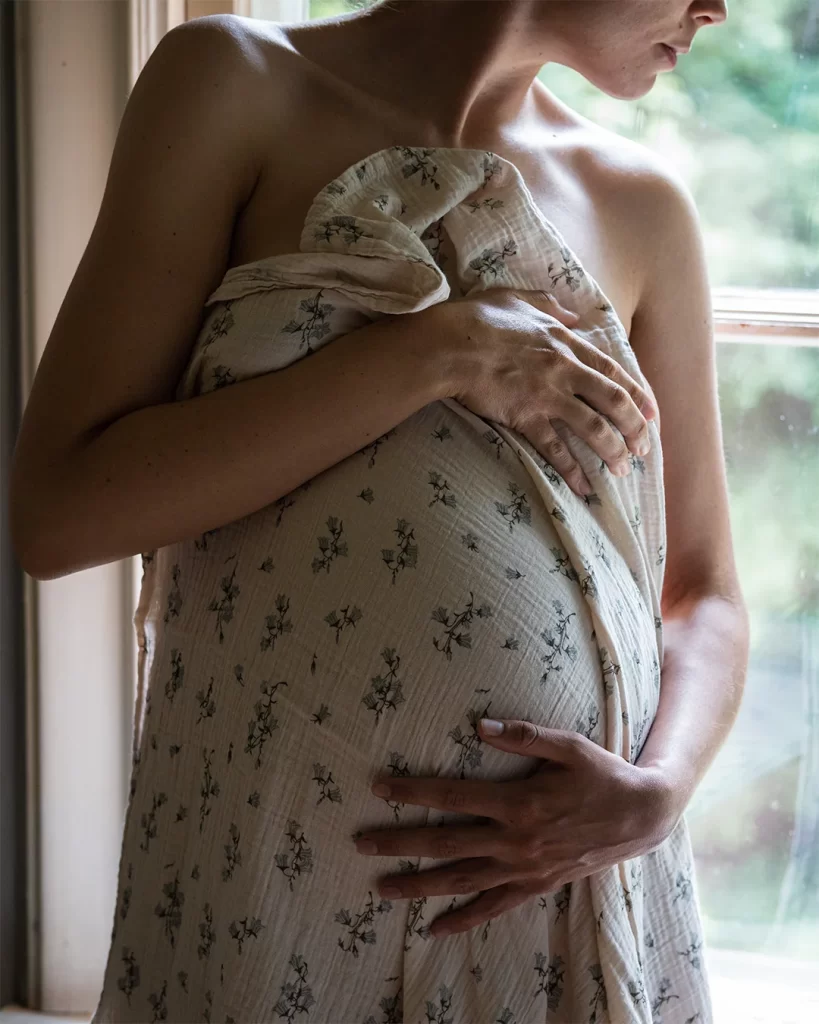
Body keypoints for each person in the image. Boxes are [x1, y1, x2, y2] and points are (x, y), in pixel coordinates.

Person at [10, 1, 750, 1021]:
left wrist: (656, 795)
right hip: (270, 881)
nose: (715, 8)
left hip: (561, 907)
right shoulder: (232, 84)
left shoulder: (642, 204)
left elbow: (704, 592)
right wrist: (439, 352)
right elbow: (57, 513)